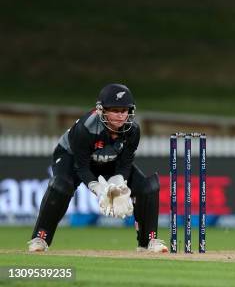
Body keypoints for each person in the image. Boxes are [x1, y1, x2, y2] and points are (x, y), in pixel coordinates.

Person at [27, 84, 167, 253]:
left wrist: (119, 182)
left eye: (125, 110)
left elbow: (125, 164)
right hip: (70, 158)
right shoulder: (85, 129)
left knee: (148, 187)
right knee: (61, 185)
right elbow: (82, 167)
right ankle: (40, 238)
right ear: (102, 110)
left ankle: (148, 242)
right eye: (115, 110)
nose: (121, 115)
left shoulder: (133, 131)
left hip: (109, 160)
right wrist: (100, 190)